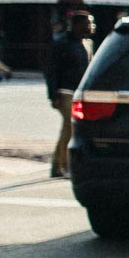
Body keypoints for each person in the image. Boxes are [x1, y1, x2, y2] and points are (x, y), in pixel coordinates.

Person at [45, 11, 95, 179]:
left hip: (80, 93)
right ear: (77, 25)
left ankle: (56, 166)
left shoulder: (88, 44)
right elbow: (51, 70)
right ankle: (65, 166)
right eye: (88, 23)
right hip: (65, 91)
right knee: (70, 126)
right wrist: (53, 95)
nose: (91, 27)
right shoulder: (61, 43)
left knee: (68, 128)